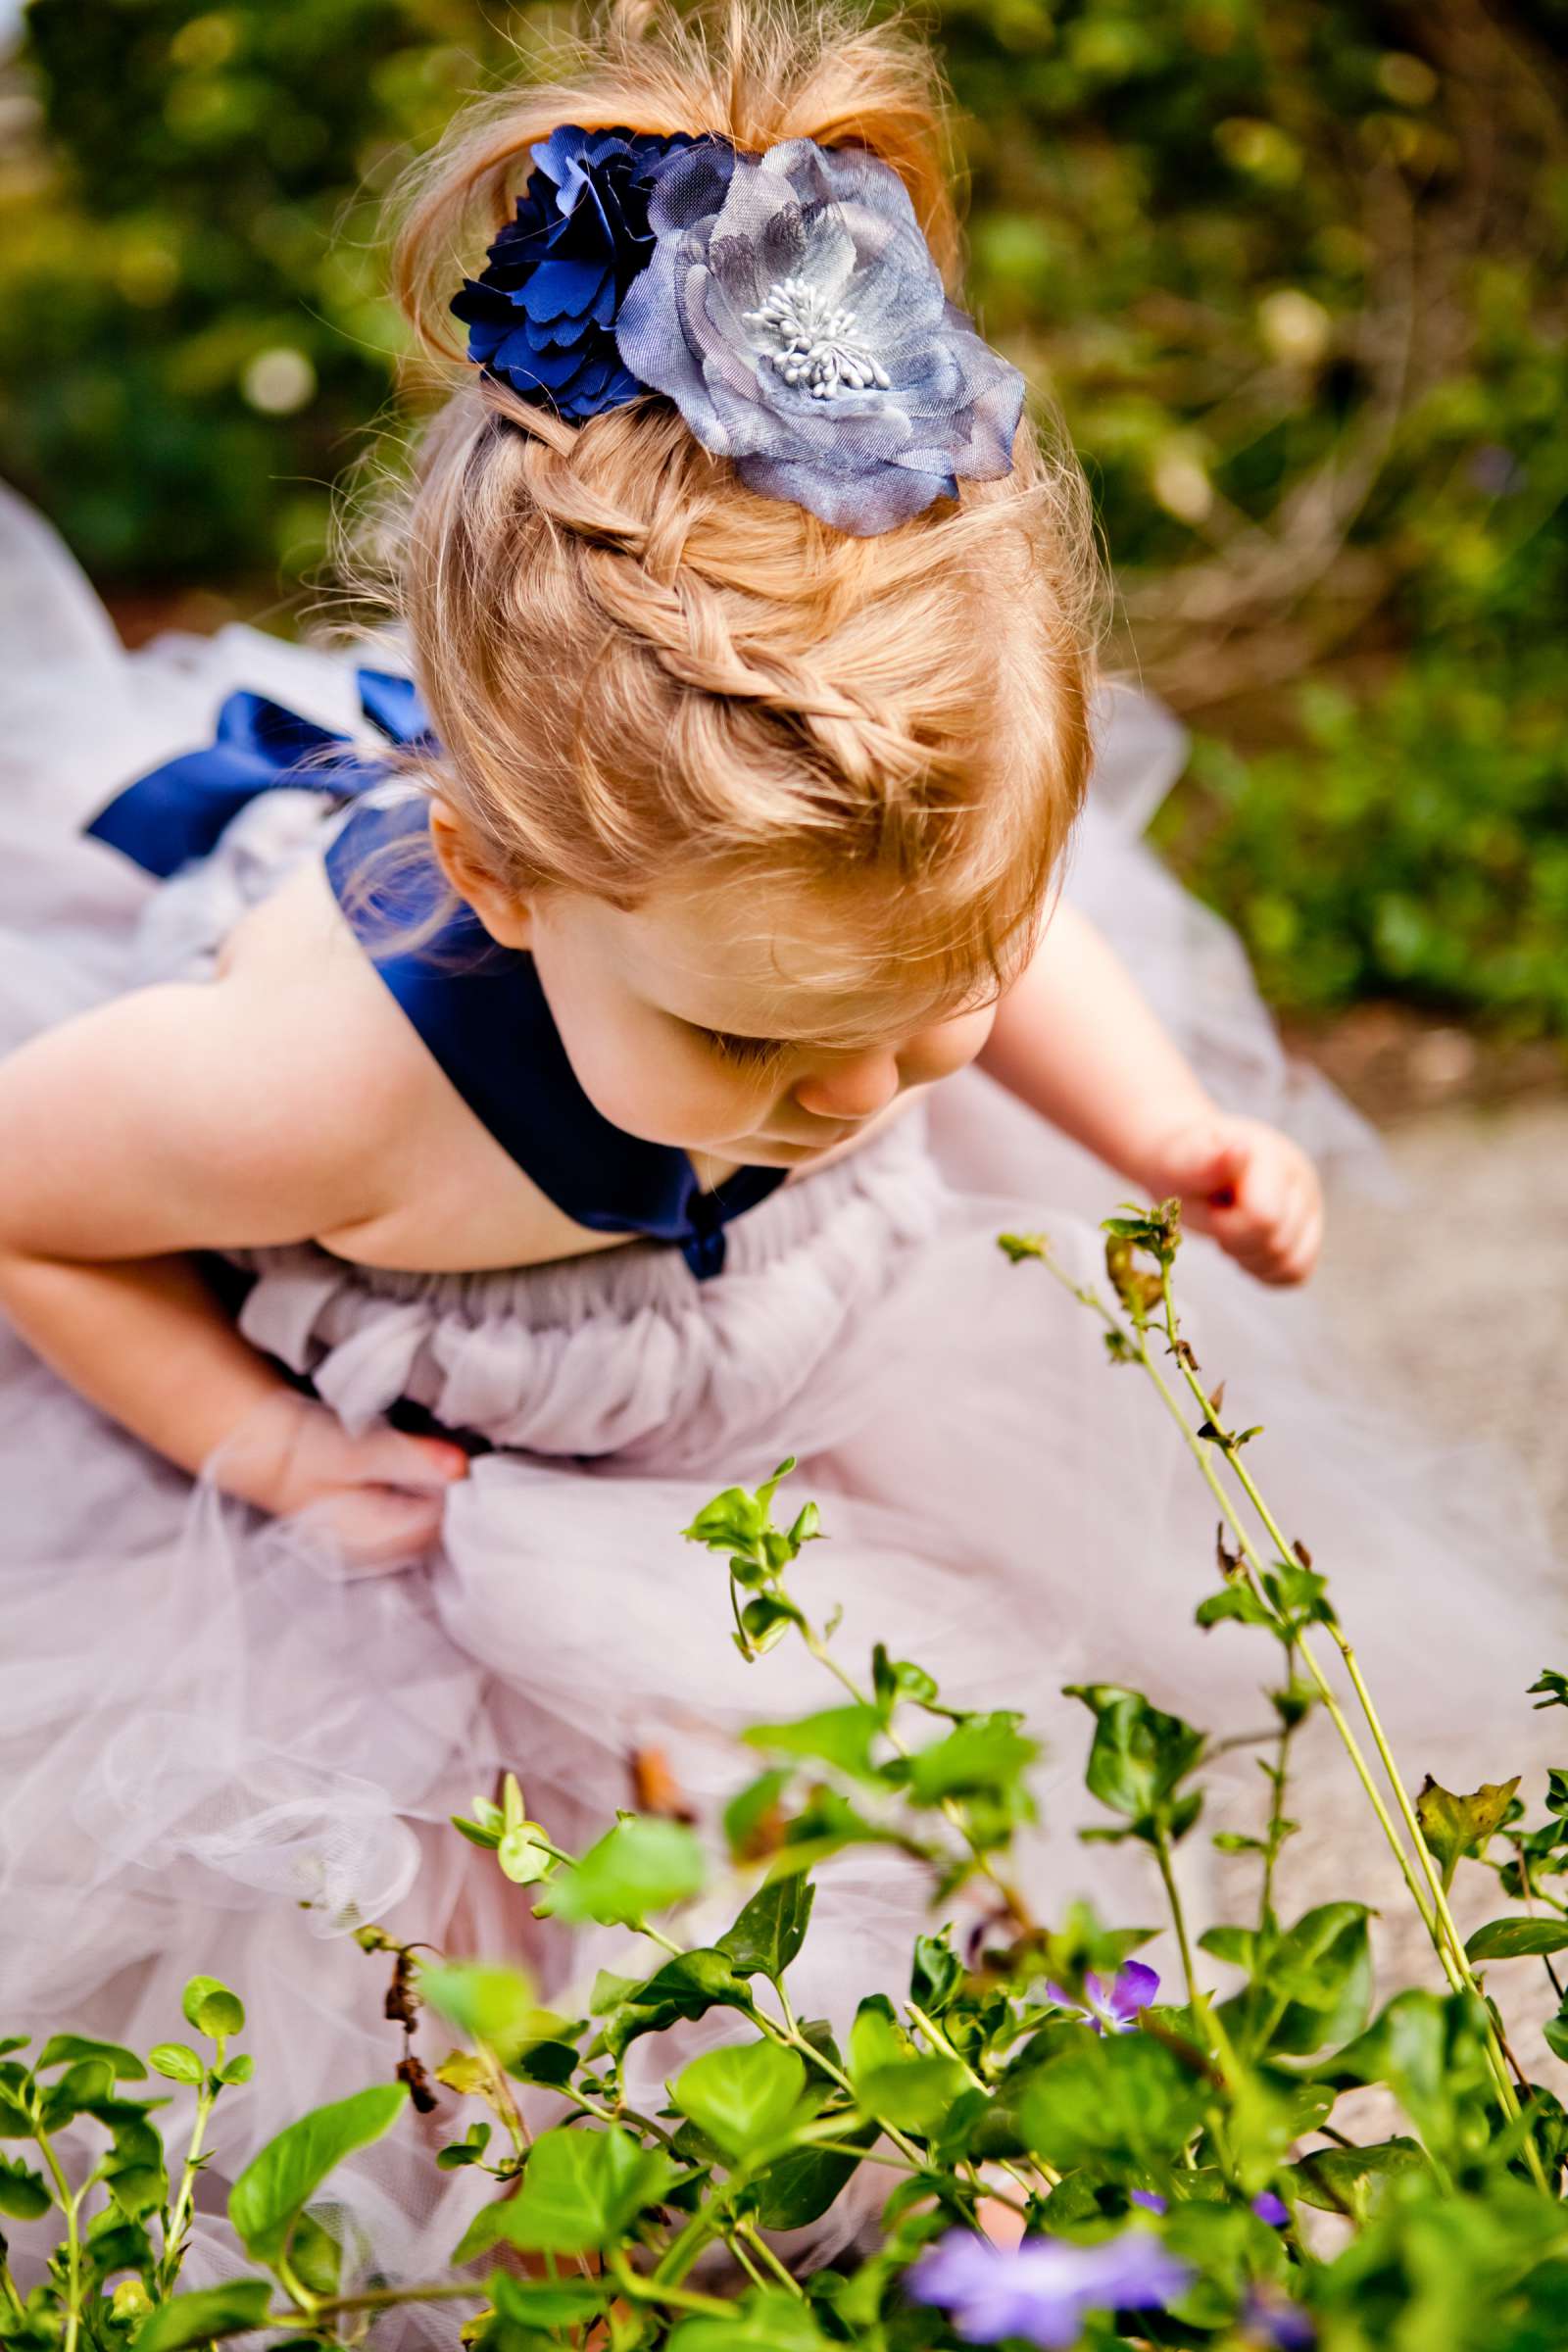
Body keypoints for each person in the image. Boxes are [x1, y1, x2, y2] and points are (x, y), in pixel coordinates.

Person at [0, 0, 1558, 2301]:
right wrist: (252, 1439)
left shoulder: (854, 919)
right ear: (509, 882)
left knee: (921, 1743)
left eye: (935, 993)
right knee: (464, 1956)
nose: (870, 1097)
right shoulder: (308, 1084)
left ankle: (916, 2086)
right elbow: (24, 1208)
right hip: (424, 1456)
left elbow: (976, 967)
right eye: (760, 1038)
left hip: (761, 1372)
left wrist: (1164, 1126)